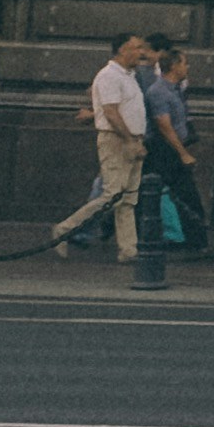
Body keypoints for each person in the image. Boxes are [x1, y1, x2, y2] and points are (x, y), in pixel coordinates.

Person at [36, 32, 156, 267]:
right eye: (136, 47)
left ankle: (128, 249)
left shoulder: (129, 75)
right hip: (116, 140)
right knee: (113, 195)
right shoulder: (110, 76)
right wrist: (130, 139)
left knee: (128, 198)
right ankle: (65, 229)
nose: (141, 52)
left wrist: (135, 139)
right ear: (122, 50)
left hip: (130, 139)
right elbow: (110, 112)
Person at [140, 33, 209, 257]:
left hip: (172, 147)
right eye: (184, 62)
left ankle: (193, 240)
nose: (187, 67)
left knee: (180, 194)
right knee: (183, 194)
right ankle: (193, 241)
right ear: (174, 66)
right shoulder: (159, 92)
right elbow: (164, 125)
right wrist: (182, 153)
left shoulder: (176, 89)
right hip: (164, 149)